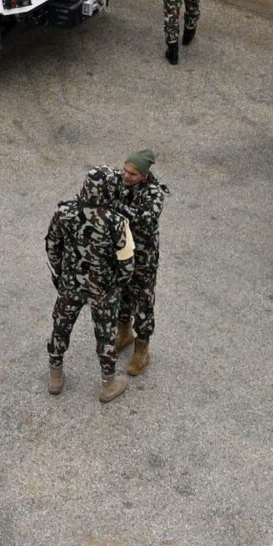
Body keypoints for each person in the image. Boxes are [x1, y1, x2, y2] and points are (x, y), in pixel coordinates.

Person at [45, 167, 132, 402]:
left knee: (61, 327)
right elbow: (126, 263)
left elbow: (52, 246)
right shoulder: (117, 221)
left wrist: (62, 274)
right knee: (105, 335)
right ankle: (108, 384)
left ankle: (55, 377)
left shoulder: (64, 212)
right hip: (103, 289)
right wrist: (117, 286)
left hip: (70, 284)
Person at [107, 149, 166, 377]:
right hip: (121, 252)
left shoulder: (155, 193)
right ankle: (123, 333)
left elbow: (145, 219)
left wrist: (115, 206)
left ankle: (142, 348)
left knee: (143, 301)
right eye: (125, 170)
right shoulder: (119, 181)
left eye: (132, 173)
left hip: (143, 258)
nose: (125, 175)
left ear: (144, 175)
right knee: (121, 294)